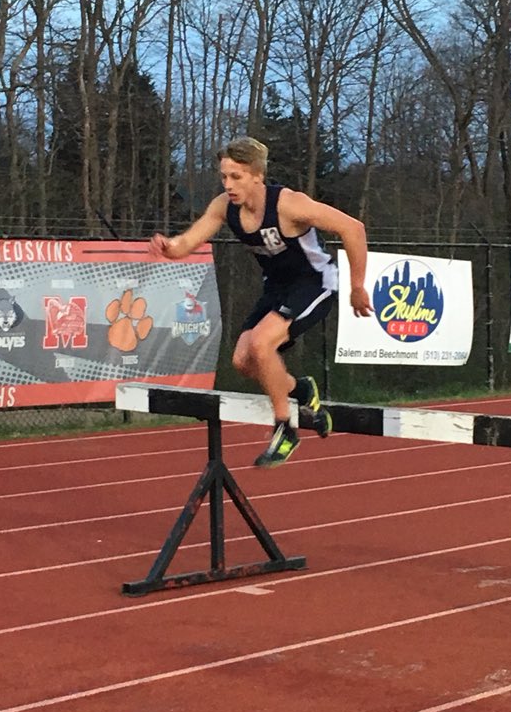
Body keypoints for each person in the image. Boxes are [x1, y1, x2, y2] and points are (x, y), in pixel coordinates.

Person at [150, 136, 373, 467]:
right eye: (224, 177)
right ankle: (300, 390)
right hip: (277, 289)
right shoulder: (225, 208)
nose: (228, 185)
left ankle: (286, 428)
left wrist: (357, 286)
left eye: (236, 177)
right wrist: (168, 246)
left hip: (314, 284)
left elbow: (353, 228)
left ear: (257, 175)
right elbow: (188, 242)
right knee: (243, 360)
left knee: (261, 343)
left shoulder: (289, 204)